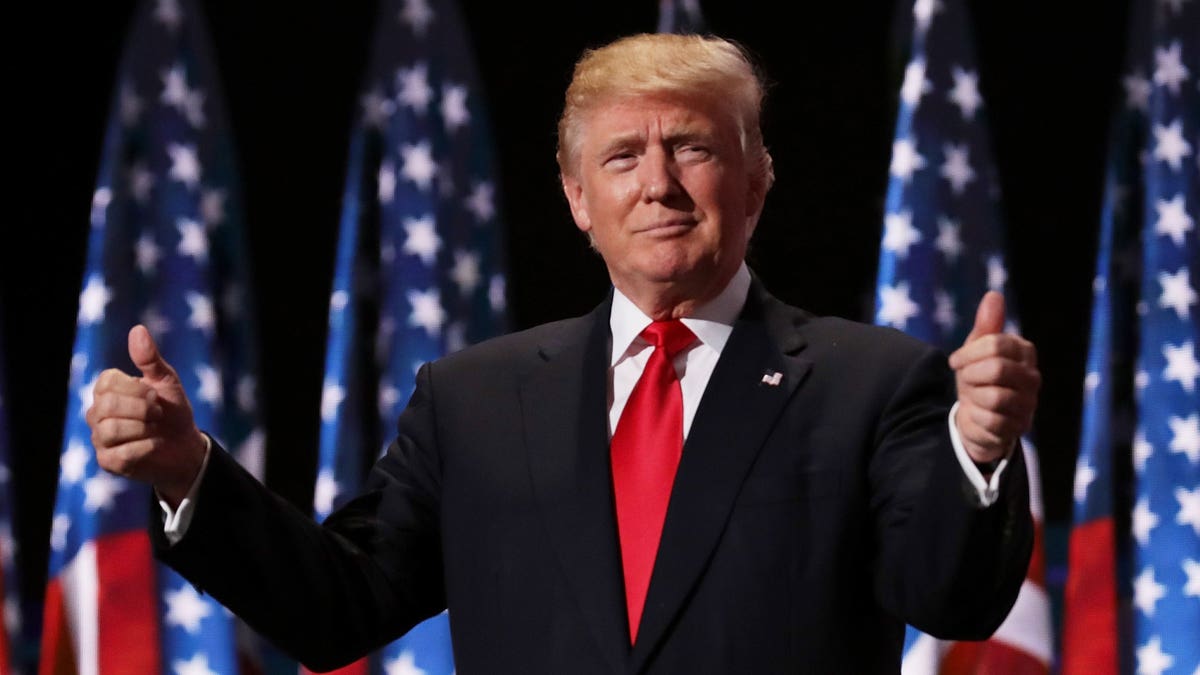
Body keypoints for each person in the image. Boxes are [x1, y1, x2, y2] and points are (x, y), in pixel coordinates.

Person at [87, 33, 1039, 674]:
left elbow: (949, 598)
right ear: (580, 200)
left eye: (693, 148)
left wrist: (980, 455)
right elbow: (339, 608)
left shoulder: (869, 382)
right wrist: (189, 476)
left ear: (756, 181)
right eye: (624, 157)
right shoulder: (473, 400)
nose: (658, 184)